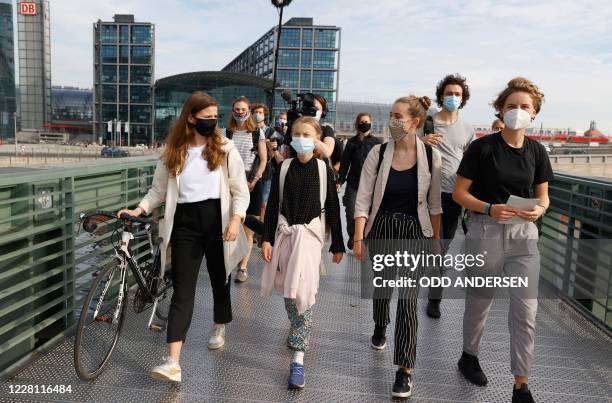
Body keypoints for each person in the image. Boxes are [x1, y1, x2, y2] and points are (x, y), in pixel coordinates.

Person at [118, 92, 250, 382]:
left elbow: (240, 189)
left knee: (220, 278)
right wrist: (140, 209)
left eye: (216, 117)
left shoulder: (225, 148)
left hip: (218, 220)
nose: (212, 122)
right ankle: (173, 363)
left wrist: (236, 219)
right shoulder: (173, 151)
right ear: (191, 118)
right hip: (185, 224)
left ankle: (219, 324)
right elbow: (159, 190)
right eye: (207, 118)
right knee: (182, 290)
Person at [453, 77, 552, 403]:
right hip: (486, 231)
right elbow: (459, 194)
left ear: (534, 112)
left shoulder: (537, 151)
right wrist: (489, 208)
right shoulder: (482, 148)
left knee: (526, 312)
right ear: (500, 109)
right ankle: (469, 355)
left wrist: (538, 210)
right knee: (480, 304)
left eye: (525, 107)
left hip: (524, 236)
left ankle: (520, 384)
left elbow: (544, 197)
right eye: (512, 106)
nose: (518, 111)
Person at [353, 96, 442, 398]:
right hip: (381, 229)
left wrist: (435, 243)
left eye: (398, 116)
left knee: (407, 300)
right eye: (391, 115)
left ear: (415, 122)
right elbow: (363, 198)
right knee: (382, 291)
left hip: (413, 232)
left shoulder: (430, 156)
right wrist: (358, 237)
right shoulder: (378, 154)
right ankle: (380, 325)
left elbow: (434, 204)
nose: (393, 121)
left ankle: (404, 369)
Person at [261, 116, 344, 390]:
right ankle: (296, 330)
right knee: (288, 293)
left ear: (316, 137)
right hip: (285, 236)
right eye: (296, 133)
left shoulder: (323, 169)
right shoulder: (284, 167)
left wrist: (338, 243)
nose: (300, 138)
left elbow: (333, 207)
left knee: (304, 295)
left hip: (309, 239)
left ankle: (298, 359)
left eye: (306, 133)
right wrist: (266, 239)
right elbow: (273, 206)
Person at [419, 73, 476, 319]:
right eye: (449, 93)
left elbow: (472, 163)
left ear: (463, 99)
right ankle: (424, 295)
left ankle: (434, 293)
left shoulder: (467, 129)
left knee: (442, 248)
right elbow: (398, 146)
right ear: (441, 95)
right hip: (427, 194)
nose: (453, 97)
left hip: (454, 197)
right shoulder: (427, 122)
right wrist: (420, 140)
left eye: (458, 94)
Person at [223, 96, 267, 283]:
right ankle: (228, 263)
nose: (240, 112)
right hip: (231, 183)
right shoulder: (226, 133)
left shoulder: (257, 133)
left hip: (251, 183)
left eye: (243, 109)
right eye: (237, 109)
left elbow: (264, 159)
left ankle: (242, 267)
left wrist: (255, 179)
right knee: (231, 224)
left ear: (248, 111)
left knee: (248, 228)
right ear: (232, 111)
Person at [337, 112, 381, 250]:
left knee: (368, 213)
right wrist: (339, 181)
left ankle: (363, 238)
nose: (364, 124)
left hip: (371, 186)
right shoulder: (351, 143)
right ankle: (353, 236)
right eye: (362, 122)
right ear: (357, 124)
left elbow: (381, 165)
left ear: (371, 123)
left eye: (367, 121)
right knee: (351, 212)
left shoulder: (376, 143)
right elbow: (345, 164)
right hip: (353, 184)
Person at [284, 94, 336, 160]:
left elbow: (327, 153)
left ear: (323, 111)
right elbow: (286, 156)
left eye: (316, 108)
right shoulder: (297, 128)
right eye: (310, 108)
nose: (312, 111)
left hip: (319, 168)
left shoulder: (327, 129)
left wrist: (310, 136)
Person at [251, 103, 276, 221]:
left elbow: (273, 155)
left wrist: (270, 146)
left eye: (260, 112)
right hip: (252, 170)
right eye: (255, 112)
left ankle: (262, 232)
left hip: (266, 172)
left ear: (265, 115)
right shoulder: (249, 130)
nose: (257, 115)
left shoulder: (271, 131)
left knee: (264, 203)